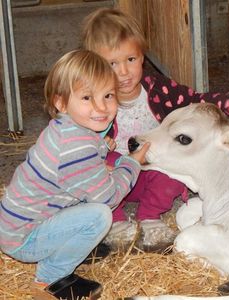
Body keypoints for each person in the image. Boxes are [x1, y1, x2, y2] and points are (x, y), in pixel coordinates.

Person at [81, 8, 229, 252]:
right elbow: (78, 139)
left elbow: (196, 101)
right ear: (95, 67)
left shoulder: (158, 90)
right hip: (116, 171)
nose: (124, 72)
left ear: (142, 57)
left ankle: (149, 217)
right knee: (92, 173)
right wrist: (99, 152)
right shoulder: (94, 101)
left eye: (131, 60)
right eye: (112, 64)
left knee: (177, 175)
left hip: (153, 164)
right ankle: (115, 222)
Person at [0, 49, 149, 299]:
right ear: (60, 103)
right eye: (87, 98)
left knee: (92, 198)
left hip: (17, 224)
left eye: (108, 95)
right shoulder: (75, 145)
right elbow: (108, 197)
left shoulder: (67, 128)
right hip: (24, 238)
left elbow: (81, 173)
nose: (101, 107)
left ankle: (69, 242)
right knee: (100, 215)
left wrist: (103, 152)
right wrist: (131, 163)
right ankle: (49, 280)